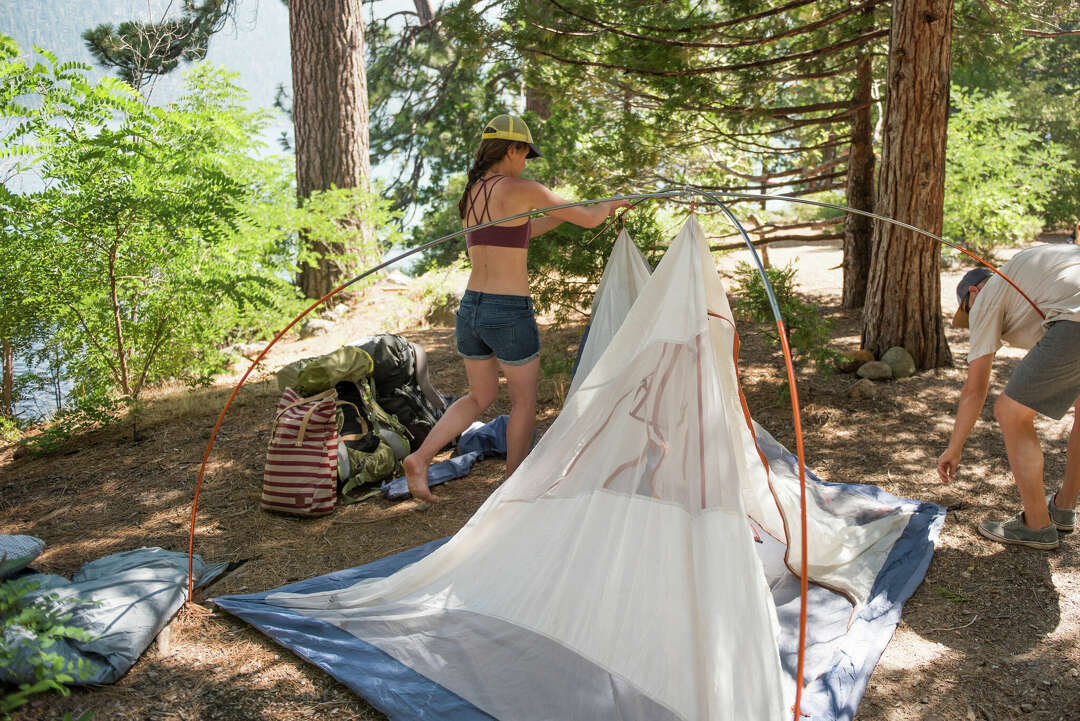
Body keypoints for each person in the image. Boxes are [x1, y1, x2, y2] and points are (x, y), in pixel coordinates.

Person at [403, 114, 631, 502]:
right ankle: (514, 492)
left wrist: (560, 215)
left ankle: (420, 458)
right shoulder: (521, 188)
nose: (526, 162)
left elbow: (523, 229)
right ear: (511, 149)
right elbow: (591, 220)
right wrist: (608, 205)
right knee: (524, 401)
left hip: (471, 308)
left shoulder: (473, 194)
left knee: (479, 397)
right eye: (525, 153)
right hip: (508, 309)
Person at [937, 243, 1080, 549]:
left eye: (966, 307)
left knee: (1010, 412)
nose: (970, 315)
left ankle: (1037, 525)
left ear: (974, 291)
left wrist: (954, 448)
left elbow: (975, 390)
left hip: (1075, 319)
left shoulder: (988, 295)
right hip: (1072, 311)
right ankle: (1064, 507)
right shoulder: (1033, 280)